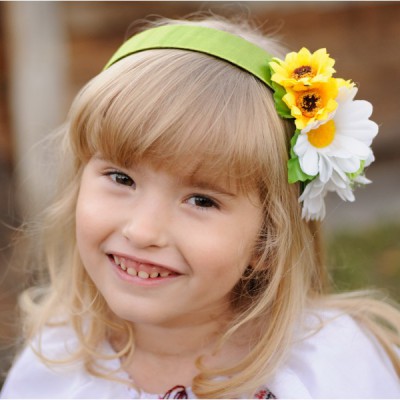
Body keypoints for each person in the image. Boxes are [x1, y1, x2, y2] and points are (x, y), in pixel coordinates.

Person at [1, 15, 399, 399]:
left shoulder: (331, 369)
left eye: (201, 200)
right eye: (122, 179)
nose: (142, 231)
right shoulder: (54, 365)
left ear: (267, 240)